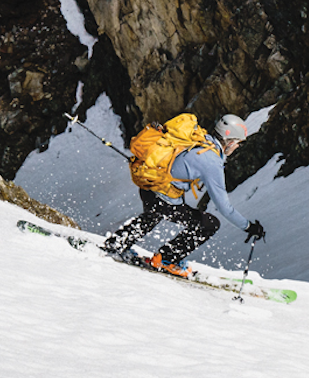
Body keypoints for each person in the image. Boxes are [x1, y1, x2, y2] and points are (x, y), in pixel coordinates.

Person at [101, 113, 266, 277]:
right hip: (162, 196)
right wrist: (248, 227)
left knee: (154, 214)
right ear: (230, 142)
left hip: (149, 183)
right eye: (238, 143)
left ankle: (117, 243)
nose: (238, 147)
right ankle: (166, 259)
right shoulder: (212, 162)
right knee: (209, 224)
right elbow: (224, 207)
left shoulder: (200, 138)